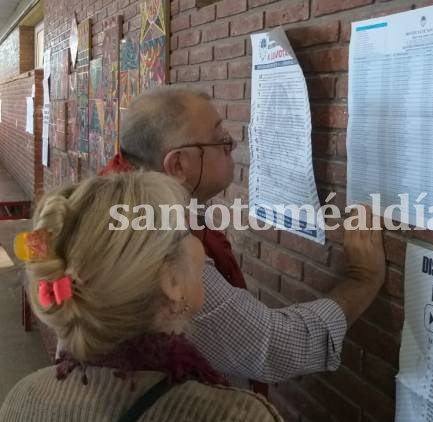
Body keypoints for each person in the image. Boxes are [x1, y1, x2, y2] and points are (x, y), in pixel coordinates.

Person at [102, 87, 386, 390]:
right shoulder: (162, 250)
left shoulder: (119, 206)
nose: (232, 143)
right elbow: (277, 347)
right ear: (178, 165)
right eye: (220, 139)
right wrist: (362, 279)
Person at [0, 172, 282, 422]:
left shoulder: (22, 398)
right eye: (187, 232)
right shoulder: (239, 415)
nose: (198, 243)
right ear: (171, 281)